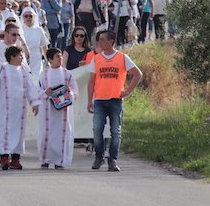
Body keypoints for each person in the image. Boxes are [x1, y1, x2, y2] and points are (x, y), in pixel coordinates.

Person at [86, 30, 143, 172]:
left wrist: (128, 91)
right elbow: (91, 81)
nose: (100, 42)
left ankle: (113, 159)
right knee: (97, 129)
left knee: (115, 131)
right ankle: (99, 156)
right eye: (99, 40)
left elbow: (137, 74)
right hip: (99, 99)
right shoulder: (97, 59)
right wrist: (89, 100)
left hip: (115, 99)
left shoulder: (122, 57)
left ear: (111, 41)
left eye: (103, 40)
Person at [0, 46, 41, 170]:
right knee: (4, 131)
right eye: (20, 55)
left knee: (19, 133)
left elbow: (30, 88)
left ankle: (15, 158)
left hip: (19, 109)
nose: (22, 58)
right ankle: (4, 157)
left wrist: (34, 103)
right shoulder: (1, 69)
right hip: (3, 108)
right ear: (12, 57)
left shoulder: (24, 71)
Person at [37, 48, 78, 169]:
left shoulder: (67, 74)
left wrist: (69, 91)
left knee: (62, 134)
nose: (60, 59)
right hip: (48, 111)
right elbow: (37, 90)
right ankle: (45, 159)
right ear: (49, 60)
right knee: (46, 133)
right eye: (57, 57)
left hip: (63, 111)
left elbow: (75, 90)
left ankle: (60, 161)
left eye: (61, 56)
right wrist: (46, 92)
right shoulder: (43, 75)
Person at [20, 6, 49, 76]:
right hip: (23, 59)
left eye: (30, 16)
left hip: (37, 59)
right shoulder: (20, 30)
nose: (28, 18)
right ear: (23, 18)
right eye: (26, 16)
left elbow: (44, 47)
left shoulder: (39, 30)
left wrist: (48, 61)